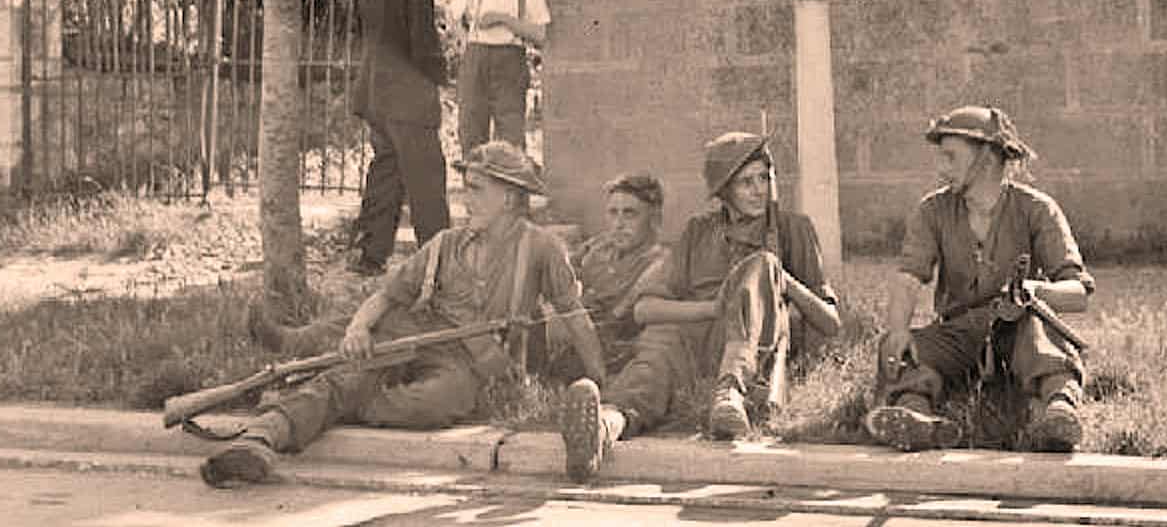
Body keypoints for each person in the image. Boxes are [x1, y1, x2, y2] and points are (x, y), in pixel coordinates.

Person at [204, 141, 607, 488]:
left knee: (434, 403)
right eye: (467, 189)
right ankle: (258, 440)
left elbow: (574, 315)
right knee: (356, 370)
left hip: (471, 362)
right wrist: (359, 328)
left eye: (477, 190)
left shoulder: (541, 248)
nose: (467, 200)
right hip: (414, 336)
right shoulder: (444, 243)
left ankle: (324, 401)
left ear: (509, 198)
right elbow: (386, 297)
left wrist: (600, 380)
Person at [557, 132, 843, 482]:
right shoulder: (698, 232)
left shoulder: (793, 228)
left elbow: (831, 323)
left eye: (763, 178)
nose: (758, 190)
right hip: (700, 337)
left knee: (761, 263)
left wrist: (778, 277)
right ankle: (604, 427)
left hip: (757, 348)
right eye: (745, 182)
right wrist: (712, 308)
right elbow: (645, 308)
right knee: (658, 351)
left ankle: (730, 394)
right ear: (724, 191)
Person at [864, 106, 1094, 454]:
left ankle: (1059, 410)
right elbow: (908, 280)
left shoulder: (1037, 209)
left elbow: (1079, 294)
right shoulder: (932, 211)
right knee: (907, 347)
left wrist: (1035, 291)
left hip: (1016, 332)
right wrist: (897, 332)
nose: (942, 170)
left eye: (951, 158)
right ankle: (914, 418)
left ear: (986, 157)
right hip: (957, 335)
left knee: (1040, 332)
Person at [349, 0, 452, 275]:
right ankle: (439, 261)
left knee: (385, 175)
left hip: (374, 98)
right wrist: (444, 77)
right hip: (408, 103)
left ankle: (369, 256)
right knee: (427, 180)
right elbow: (423, 47)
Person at [539, 174, 670, 383]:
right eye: (613, 213)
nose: (618, 224)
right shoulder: (598, 247)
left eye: (630, 214)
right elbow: (557, 278)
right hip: (564, 328)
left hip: (605, 347)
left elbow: (619, 321)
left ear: (654, 219)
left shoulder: (659, 264)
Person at [446, 0, 550, 155]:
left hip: (510, 61)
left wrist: (503, 19)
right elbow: (451, 13)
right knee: (471, 127)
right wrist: (464, 39)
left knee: (510, 133)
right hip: (476, 60)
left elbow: (540, 36)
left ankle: (509, 187)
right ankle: (475, 185)